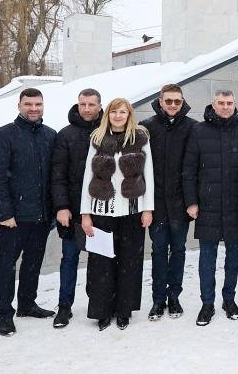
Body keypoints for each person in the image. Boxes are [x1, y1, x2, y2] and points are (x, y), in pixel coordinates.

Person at [0, 88, 57, 336]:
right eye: (28, 104)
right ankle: (5, 314)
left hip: (41, 215)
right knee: (6, 265)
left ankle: (27, 304)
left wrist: (53, 211)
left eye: (38, 103)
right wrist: (4, 213)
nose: (33, 108)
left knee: (33, 262)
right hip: (13, 217)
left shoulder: (50, 135)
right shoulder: (4, 135)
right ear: (19, 105)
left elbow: (54, 178)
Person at [79, 97, 154, 331]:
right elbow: (87, 178)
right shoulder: (98, 139)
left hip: (132, 211)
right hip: (102, 211)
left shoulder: (140, 139)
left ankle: (123, 310)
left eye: (122, 112)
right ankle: (103, 311)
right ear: (108, 114)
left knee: (129, 262)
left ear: (129, 114)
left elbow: (148, 175)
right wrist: (85, 213)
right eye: (114, 112)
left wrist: (147, 209)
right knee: (102, 264)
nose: (118, 116)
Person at [183, 89, 238, 326]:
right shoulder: (198, 131)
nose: (225, 107)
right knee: (207, 259)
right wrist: (192, 202)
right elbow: (189, 170)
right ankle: (207, 303)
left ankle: (229, 299)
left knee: (233, 258)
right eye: (221, 103)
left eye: (230, 103)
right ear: (213, 105)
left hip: (236, 207)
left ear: (235, 105)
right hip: (208, 206)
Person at [139, 84, 197, 321]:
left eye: (177, 101)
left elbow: (194, 167)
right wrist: (146, 205)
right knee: (159, 251)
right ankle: (158, 300)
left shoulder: (192, 127)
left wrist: (192, 201)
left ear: (182, 102)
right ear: (160, 101)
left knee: (179, 250)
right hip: (156, 203)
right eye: (169, 101)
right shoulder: (147, 128)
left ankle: (174, 297)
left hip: (181, 204)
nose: (173, 105)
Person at [49, 88, 103, 328]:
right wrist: (61, 206)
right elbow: (57, 174)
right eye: (83, 104)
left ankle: (98, 304)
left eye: (92, 104)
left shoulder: (107, 132)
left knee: (99, 259)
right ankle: (64, 306)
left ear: (100, 106)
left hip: (102, 209)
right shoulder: (66, 135)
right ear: (77, 105)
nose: (87, 109)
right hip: (72, 207)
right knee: (70, 258)